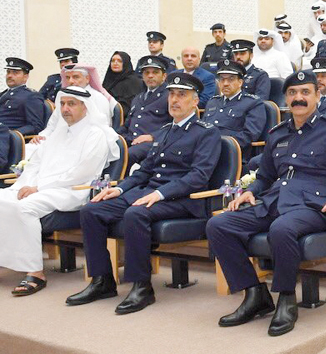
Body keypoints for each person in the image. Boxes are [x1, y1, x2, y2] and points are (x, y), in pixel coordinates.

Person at [206, 70, 326, 336]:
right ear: (286, 98)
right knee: (218, 225)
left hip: (314, 206)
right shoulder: (277, 133)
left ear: (317, 95)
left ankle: (287, 299)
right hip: (275, 201)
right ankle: (255, 294)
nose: (298, 98)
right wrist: (250, 191)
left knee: (281, 229)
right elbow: (265, 176)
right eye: (292, 93)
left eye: (305, 92)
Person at [68, 71, 221, 315]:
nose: (174, 100)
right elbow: (145, 171)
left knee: (135, 213)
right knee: (91, 210)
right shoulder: (165, 131)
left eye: (182, 95)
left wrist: (160, 194)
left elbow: (198, 177)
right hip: (148, 192)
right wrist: (118, 188)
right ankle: (102, 281)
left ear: (195, 101)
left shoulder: (206, 132)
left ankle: (141, 286)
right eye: (172, 94)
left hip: (183, 199)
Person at [0, 87, 120, 296]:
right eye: (63, 104)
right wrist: (22, 186)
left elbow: (81, 173)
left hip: (72, 191)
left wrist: (38, 188)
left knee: (25, 207)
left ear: (85, 107)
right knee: (4, 198)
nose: (65, 109)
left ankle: (35, 272)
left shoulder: (96, 135)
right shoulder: (58, 132)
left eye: (71, 104)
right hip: (41, 188)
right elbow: (35, 164)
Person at [202, 59, 266, 152]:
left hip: (232, 153)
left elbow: (249, 135)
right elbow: (203, 129)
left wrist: (217, 145)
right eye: (222, 79)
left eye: (231, 79)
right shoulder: (212, 102)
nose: (225, 84)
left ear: (240, 82)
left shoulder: (253, 103)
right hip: (206, 151)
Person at [116, 56, 171, 164]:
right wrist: (113, 135)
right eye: (146, 73)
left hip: (153, 142)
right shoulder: (138, 98)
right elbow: (127, 125)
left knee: (127, 155)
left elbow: (174, 125)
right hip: (130, 140)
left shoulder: (170, 96)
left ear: (164, 76)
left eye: (155, 72)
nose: (150, 76)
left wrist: (152, 136)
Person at [0, 58, 46, 135]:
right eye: (8, 72)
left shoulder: (31, 96)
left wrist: (13, 134)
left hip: (7, 137)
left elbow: (35, 126)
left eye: (15, 73)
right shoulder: (3, 94)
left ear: (25, 76)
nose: (10, 76)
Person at [103, 51, 143, 119]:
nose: (115, 63)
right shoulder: (108, 80)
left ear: (126, 63)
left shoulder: (134, 81)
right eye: (113, 61)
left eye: (119, 61)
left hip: (127, 119)